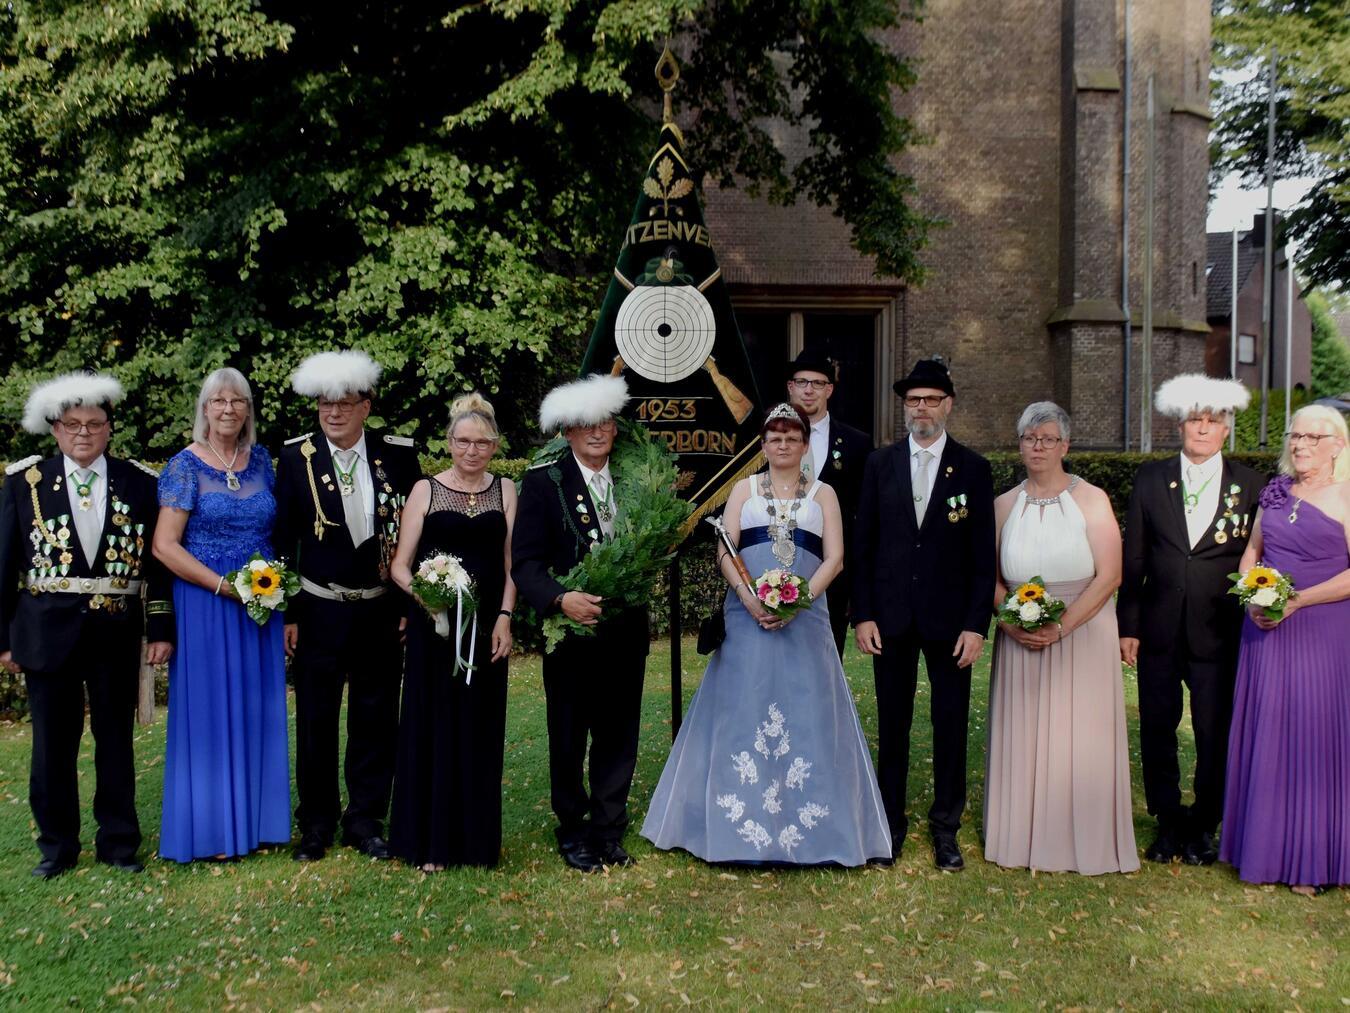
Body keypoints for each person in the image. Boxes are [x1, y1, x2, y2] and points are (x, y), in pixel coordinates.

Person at [641, 403, 891, 865]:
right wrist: (750, 597)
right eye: (774, 437)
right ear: (762, 445)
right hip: (746, 616)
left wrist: (799, 602)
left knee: (807, 709)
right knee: (742, 708)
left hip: (807, 620)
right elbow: (724, 548)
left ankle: (813, 830)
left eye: (791, 437)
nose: (782, 444)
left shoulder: (825, 494)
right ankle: (736, 827)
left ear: (804, 444)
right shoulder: (742, 490)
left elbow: (835, 558)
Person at [0, 373, 174, 878]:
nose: (83, 433)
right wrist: (3, 639)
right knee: (52, 744)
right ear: (55, 429)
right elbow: (4, 563)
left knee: (115, 740)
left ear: (109, 428)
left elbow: (157, 565)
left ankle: (118, 844)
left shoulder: (140, 482)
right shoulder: (24, 482)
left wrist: (160, 629)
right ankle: (57, 848)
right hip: (44, 630)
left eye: (94, 424)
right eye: (72, 424)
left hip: (114, 632)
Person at [273, 350, 420, 862]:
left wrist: (408, 606)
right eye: (323, 404)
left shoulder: (399, 455)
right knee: (315, 719)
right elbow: (281, 541)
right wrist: (288, 612)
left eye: (344, 403)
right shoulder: (295, 458)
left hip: (380, 610)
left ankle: (365, 820)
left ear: (366, 405)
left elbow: (413, 539)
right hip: (319, 609)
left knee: (376, 718)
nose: (332, 413)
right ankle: (315, 824)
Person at [852, 356, 995, 869]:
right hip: (889, 620)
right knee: (892, 725)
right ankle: (889, 826)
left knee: (950, 724)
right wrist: (862, 614)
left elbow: (984, 557)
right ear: (904, 407)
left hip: (950, 624)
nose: (922, 408)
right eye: (914, 400)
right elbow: (862, 544)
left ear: (948, 405)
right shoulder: (879, 464)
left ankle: (946, 828)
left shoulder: (975, 469)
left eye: (932, 399)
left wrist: (977, 624)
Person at [984, 402, 1138, 874]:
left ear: (1065, 446)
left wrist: (1062, 625)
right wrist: (1009, 621)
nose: (1038, 447)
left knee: (1081, 737)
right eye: (1030, 439)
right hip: (1020, 634)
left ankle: (1083, 838)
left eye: (1048, 439)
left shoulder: (1092, 499)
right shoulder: (1003, 504)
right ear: (1020, 445)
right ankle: (1021, 835)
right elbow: (988, 577)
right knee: (1026, 733)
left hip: (1083, 630)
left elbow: (1110, 575)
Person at [1118, 375, 1263, 866]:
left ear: (1226, 429)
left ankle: (1204, 822)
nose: (1202, 428)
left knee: (1213, 729)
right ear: (1179, 424)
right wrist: (1129, 625)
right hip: (1158, 629)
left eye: (1213, 420)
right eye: (1194, 419)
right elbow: (1133, 558)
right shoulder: (1152, 479)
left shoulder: (1251, 485)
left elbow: (1258, 557)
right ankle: (1166, 818)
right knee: (1158, 725)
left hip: (1220, 631)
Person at [152, 367, 290, 862]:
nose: (228, 408)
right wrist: (221, 585)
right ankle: (212, 831)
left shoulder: (263, 463)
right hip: (205, 600)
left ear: (248, 411)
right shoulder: (184, 467)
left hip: (259, 599)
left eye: (238, 401)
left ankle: (258, 823)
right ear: (204, 409)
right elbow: (164, 546)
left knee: (257, 706)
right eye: (219, 401)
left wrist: (263, 587)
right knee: (210, 709)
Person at [512, 374, 649, 873]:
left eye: (604, 422)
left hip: (625, 630)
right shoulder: (543, 482)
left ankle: (609, 830)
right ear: (567, 432)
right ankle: (572, 830)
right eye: (585, 424)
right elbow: (524, 563)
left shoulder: (637, 480)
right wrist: (560, 599)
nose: (596, 431)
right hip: (570, 635)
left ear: (614, 429)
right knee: (568, 734)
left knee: (618, 733)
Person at [1222, 405, 1350, 896]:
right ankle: (1263, 847)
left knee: (1313, 736)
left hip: (1322, 630)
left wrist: (1298, 601)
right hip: (1265, 629)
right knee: (1269, 729)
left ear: (1337, 444)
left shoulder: (1344, 495)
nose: (1299, 444)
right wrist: (1254, 596)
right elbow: (1253, 551)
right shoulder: (1277, 492)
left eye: (1312, 437)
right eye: (1295, 435)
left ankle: (1313, 861)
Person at [389, 393, 517, 870]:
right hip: (436, 629)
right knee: (434, 725)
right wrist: (428, 596)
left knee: (480, 727)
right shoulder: (425, 489)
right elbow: (399, 566)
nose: (470, 450)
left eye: (481, 443)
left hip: (485, 631)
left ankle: (476, 843)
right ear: (448, 442)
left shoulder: (506, 490)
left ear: (494, 445)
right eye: (462, 441)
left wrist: (505, 617)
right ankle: (432, 843)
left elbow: (511, 566)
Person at [785, 348, 874, 658]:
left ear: (830, 390)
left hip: (834, 575)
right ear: (790, 387)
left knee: (825, 660)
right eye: (802, 382)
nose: (809, 390)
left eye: (818, 383)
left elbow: (865, 517)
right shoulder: (767, 440)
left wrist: (857, 585)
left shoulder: (857, 443)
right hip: (776, 567)